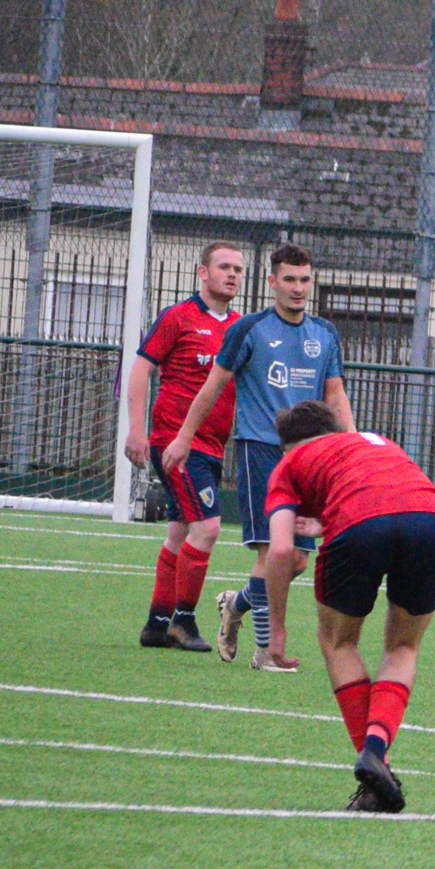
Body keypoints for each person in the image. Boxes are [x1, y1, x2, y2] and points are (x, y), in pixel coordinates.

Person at [160, 244, 354, 673]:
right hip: (261, 450)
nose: (298, 288)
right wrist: (184, 437)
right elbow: (213, 387)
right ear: (272, 282)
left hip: (311, 458)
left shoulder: (324, 334)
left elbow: (335, 395)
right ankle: (266, 651)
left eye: (305, 280)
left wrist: (351, 448)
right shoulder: (249, 329)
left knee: (297, 560)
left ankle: (237, 604)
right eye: (289, 279)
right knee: (273, 552)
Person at [261, 401, 435, 813]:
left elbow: (279, 551)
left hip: (359, 524)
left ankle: (373, 764)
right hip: (428, 517)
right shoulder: (373, 441)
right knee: (403, 647)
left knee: (339, 642)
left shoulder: (288, 464)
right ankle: (376, 757)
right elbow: (384, 495)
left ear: (287, 446)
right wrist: (327, 520)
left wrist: (276, 630)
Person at [125, 242, 247, 651]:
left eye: (238, 269)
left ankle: (157, 624)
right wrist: (136, 430)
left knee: (180, 533)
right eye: (224, 266)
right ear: (203, 272)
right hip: (176, 442)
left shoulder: (240, 327)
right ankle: (184, 621)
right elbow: (141, 370)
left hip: (212, 446)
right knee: (207, 529)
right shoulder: (177, 317)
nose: (232, 274)